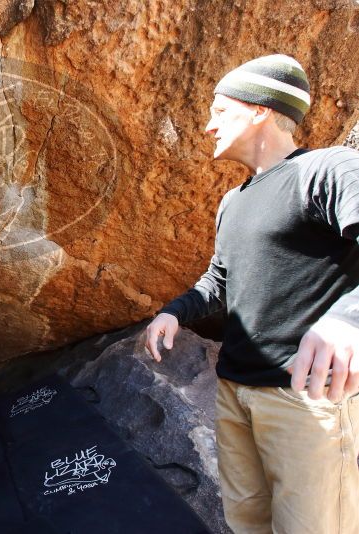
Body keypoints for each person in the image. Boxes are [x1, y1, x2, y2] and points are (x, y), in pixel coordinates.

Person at [144, 54, 359, 533]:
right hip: (234, 392)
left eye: (220, 111)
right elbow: (219, 281)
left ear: (260, 109)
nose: (206, 126)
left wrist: (349, 321)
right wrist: (174, 312)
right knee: (246, 523)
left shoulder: (329, 169)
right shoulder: (232, 202)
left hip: (304, 401)